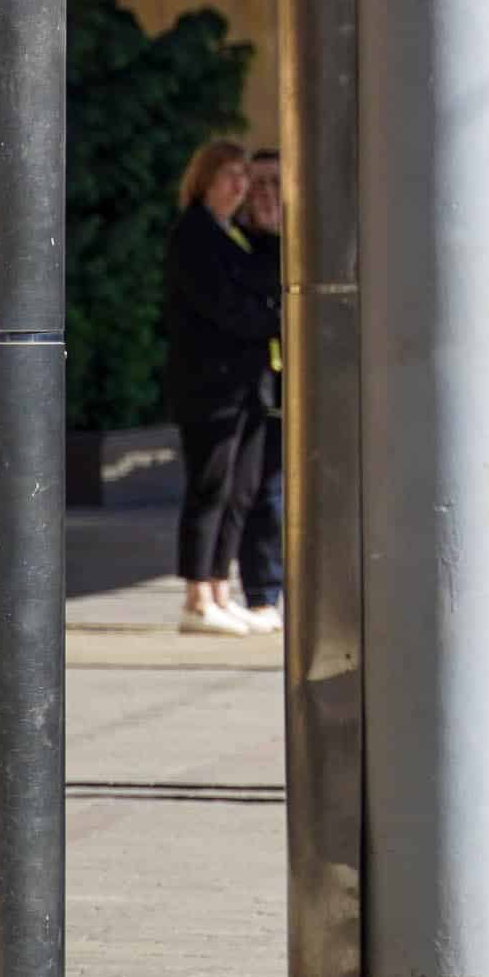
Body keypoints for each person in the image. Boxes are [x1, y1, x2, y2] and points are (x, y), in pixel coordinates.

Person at [163, 139, 280, 637]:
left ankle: (218, 587)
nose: (242, 186)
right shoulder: (194, 234)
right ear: (206, 179)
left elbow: (264, 278)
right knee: (209, 486)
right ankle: (197, 595)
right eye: (231, 175)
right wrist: (272, 322)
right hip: (211, 386)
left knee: (241, 488)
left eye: (244, 176)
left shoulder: (233, 234)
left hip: (247, 386)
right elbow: (224, 307)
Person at [233, 145, 287, 630]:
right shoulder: (240, 244)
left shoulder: (303, 242)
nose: (267, 194)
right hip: (258, 388)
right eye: (258, 184)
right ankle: (262, 591)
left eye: (276, 183)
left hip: (302, 382)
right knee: (266, 492)